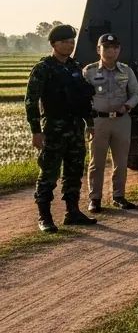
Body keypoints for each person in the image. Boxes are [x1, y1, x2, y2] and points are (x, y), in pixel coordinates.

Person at [25, 23, 97, 232]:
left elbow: (84, 99)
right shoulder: (43, 69)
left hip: (75, 128)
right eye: (64, 42)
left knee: (74, 171)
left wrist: (90, 123)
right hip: (53, 129)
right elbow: (31, 100)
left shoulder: (75, 67)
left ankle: (72, 212)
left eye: (71, 41)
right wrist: (36, 132)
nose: (69, 45)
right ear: (54, 44)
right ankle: (44, 217)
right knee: (49, 173)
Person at [83, 33, 138, 212]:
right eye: (107, 48)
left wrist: (127, 106)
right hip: (98, 121)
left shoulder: (126, 70)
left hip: (121, 121)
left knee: (121, 161)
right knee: (97, 162)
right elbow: (82, 97)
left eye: (115, 48)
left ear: (119, 50)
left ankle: (119, 196)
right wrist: (88, 120)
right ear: (98, 49)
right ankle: (95, 199)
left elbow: (136, 93)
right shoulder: (89, 71)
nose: (111, 51)